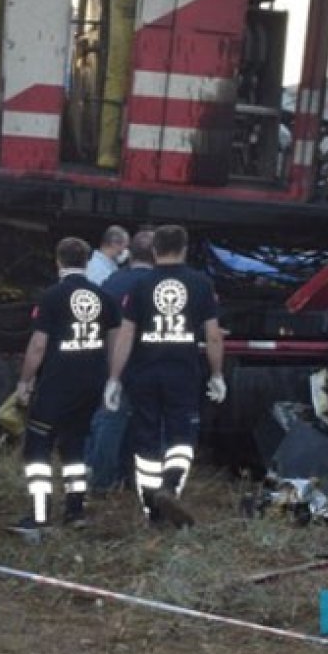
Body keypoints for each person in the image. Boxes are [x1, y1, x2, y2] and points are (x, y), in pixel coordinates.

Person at [104, 225, 225, 528]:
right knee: (180, 436)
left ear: (155, 250)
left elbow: (125, 336)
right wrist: (217, 374)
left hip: (143, 372)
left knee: (145, 437)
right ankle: (170, 487)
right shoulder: (201, 285)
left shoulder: (140, 286)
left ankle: (152, 510)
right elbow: (213, 336)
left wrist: (114, 378)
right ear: (184, 249)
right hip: (182, 372)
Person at [11, 237, 120, 534]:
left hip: (57, 384)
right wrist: (112, 379)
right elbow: (114, 342)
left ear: (58, 261)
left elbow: (38, 345)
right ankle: (75, 511)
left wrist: (25, 380)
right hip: (91, 384)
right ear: (86, 262)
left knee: (38, 449)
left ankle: (39, 514)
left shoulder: (51, 297)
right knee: (75, 449)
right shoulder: (104, 297)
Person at [86, 230, 155, 492]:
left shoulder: (112, 282)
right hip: (151, 363)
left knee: (109, 420)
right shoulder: (161, 284)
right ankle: (133, 480)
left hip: (112, 361)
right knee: (145, 424)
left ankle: (101, 480)